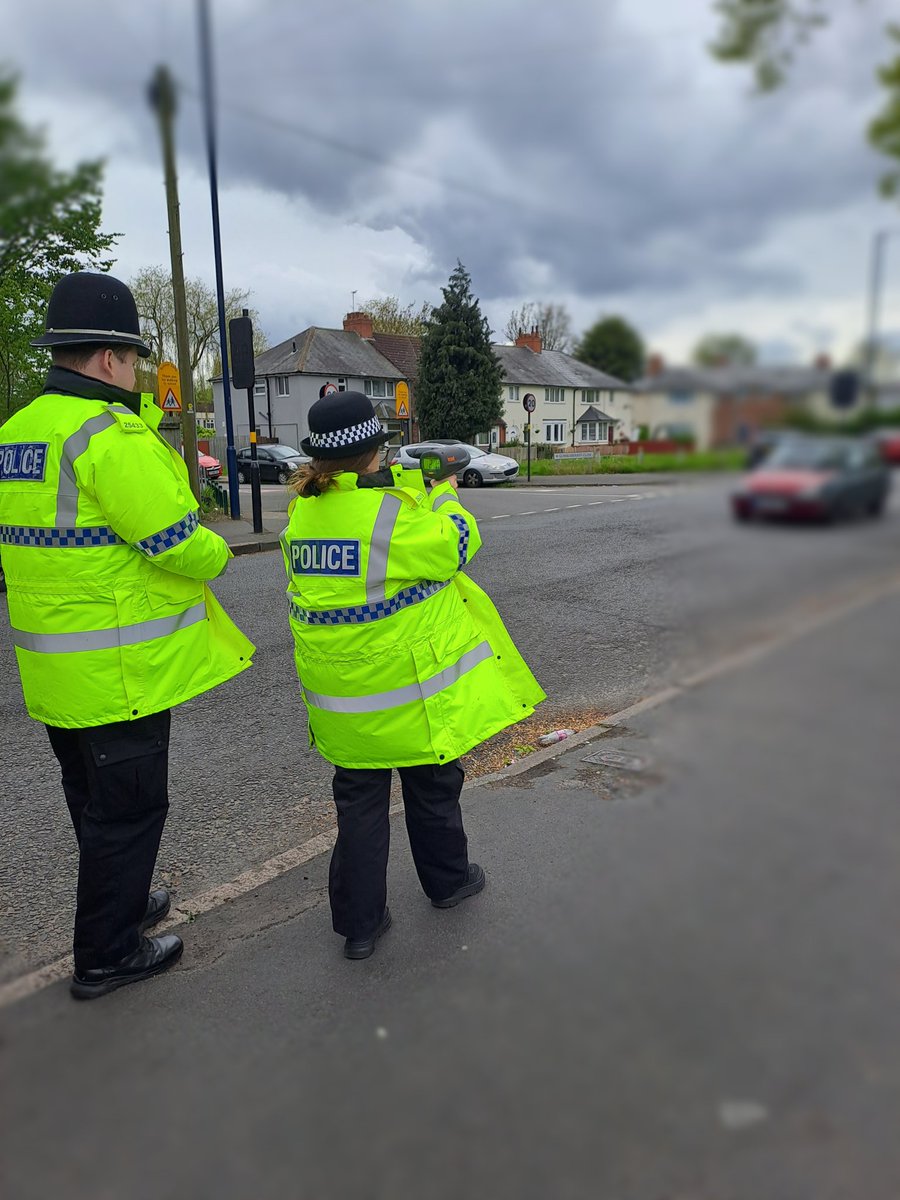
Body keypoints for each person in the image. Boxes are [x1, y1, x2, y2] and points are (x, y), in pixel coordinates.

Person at [0, 272, 255, 999]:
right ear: (111, 358)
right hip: (121, 673)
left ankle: (123, 898)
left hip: (54, 671)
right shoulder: (110, 437)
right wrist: (215, 554)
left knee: (92, 799)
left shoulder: (16, 433)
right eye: (135, 358)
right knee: (132, 807)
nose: (137, 370)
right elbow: (179, 542)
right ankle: (108, 952)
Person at [282, 391, 545, 959]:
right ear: (374, 452)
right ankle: (449, 884)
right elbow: (457, 545)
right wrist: (445, 496)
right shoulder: (392, 516)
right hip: (409, 695)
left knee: (359, 807)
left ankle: (360, 927)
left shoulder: (303, 513)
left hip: (342, 701)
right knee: (431, 789)